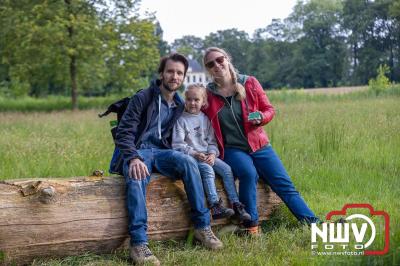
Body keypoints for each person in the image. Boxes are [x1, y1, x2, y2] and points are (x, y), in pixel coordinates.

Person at [115, 53, 223, 265]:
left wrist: (203, 152)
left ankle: (202, 227)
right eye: (170, 71)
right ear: (162, 74)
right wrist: (133, 158)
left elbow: (187, 133)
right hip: (139, 152)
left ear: (183, 77)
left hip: (163, 153)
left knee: (189, 163)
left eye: (179, 73)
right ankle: (138, 244)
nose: (175, 76)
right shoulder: (143, 97)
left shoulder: (179, 104)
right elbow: (124, 132)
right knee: (136, 176)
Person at [202, 47, 320, 235]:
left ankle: (315, 224)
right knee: (248, 174)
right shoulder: (207, 95)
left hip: (260, 145)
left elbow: (269, 109)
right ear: (208, 69)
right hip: (232, 149)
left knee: (285, 185)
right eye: (210, 64)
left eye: (219, 59)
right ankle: (251, 227)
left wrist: (261, 118)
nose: (216, 65)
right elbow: (192, 113)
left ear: (227, 59)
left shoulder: (249, 83)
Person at [172, 84, 251, 222]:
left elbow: (212, 141)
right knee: (208, 170)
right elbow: (177, 145)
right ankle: (215, 205)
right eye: (189, 99)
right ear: (185, 100)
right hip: (192, 157)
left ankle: (236, 204)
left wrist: (213, 154)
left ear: (204, 102)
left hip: (207, 155)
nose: (192, 103)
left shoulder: (205, 119)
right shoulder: (181, 120)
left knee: (226, 169)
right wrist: (195, 154)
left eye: (196, 100)